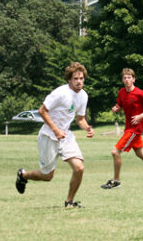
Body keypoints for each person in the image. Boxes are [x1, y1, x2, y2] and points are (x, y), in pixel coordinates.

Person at [15, 62, 94, 208]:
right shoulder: (60, 93)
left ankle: (69, 202)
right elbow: (42, 111)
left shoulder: (83, 96)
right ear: (69, 80)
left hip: (66, 136)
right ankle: (23, 175)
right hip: (48, 136)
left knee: (79, 168)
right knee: (47, 176)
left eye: (81, 78)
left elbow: (80, 119)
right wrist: (56, 130)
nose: (79, 81)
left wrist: (87, 128)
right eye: (75, 78)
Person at [100, 68, 143, 189]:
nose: (127, 80)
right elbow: (120, 106)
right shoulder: (121, 93)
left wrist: (141, 116)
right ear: (122, 80)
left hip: (135, 130)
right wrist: (116, 109)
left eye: (129, 77)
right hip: (128, 128)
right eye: (124, 78)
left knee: (115, 152)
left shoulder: (141, 93)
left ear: (133, 79)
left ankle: (116, 181)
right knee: (140, 153)